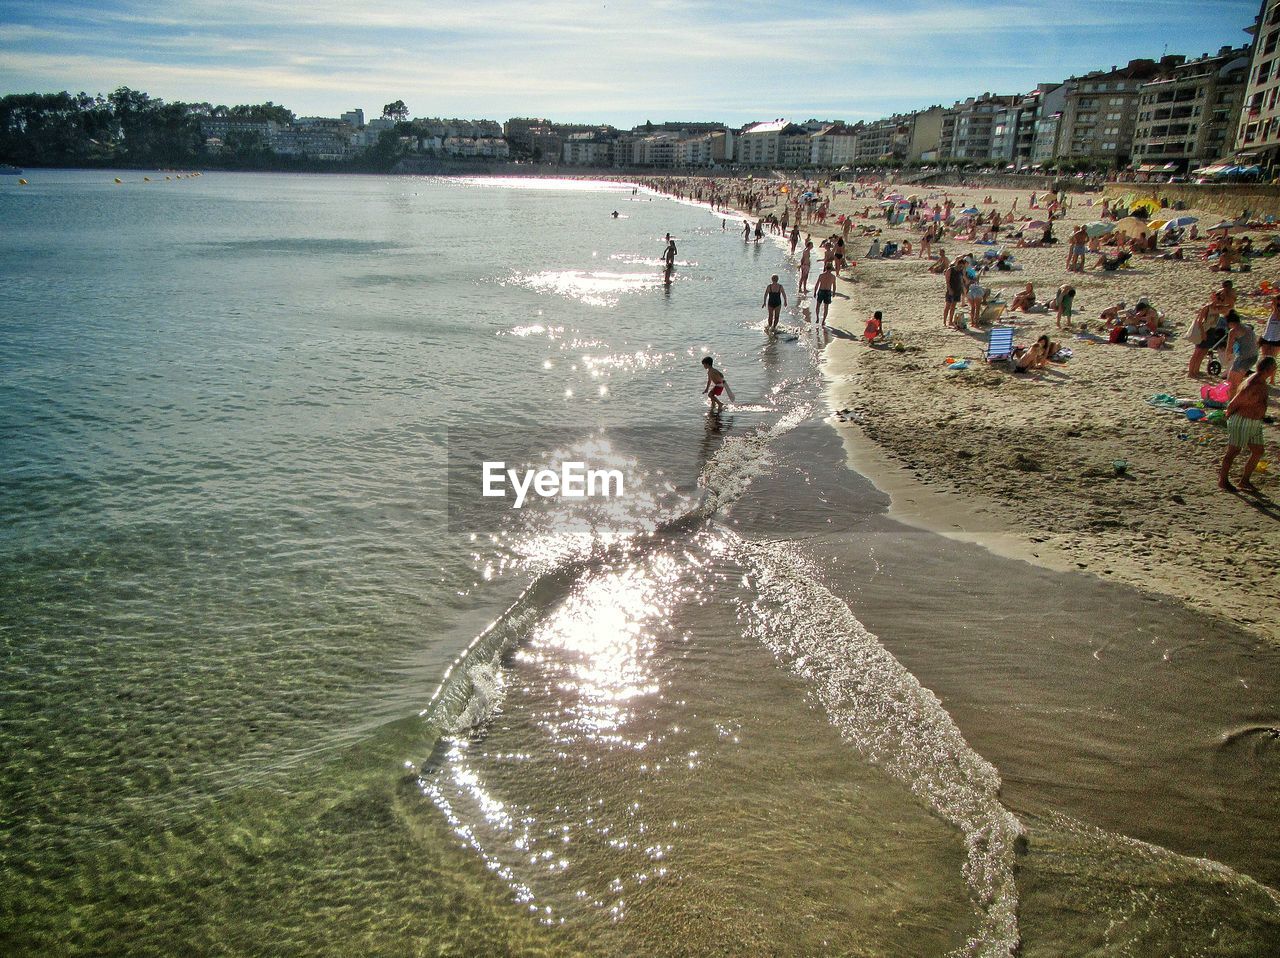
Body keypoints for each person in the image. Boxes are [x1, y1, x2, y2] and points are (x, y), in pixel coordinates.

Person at [1218, 357, 1274, 492]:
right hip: (1243, 420)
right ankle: (1223, 480)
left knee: (1258, 451)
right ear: (1269, 370)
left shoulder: (1260, 381)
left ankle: (1245, 481)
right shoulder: (1253, 384)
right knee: (1233, 451)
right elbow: (1234, 403)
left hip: (1254, 422)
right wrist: (1228, 415)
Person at [1223, 311, 1260, 395]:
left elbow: (1229, 349)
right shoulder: (1248, 327)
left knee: (1231, 383)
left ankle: (1232, 401)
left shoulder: (1233, 331)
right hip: (1253, 356)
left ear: (1230, 323)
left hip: (1243, 358)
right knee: (1238, 382)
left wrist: (1227, 359)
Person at [1260, 294, 1280, 384]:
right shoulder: (1274, 308)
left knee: (1272, 359)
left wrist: (1275, 306)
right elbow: (1264, 305)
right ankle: (1263, 377)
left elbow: (1277, 316)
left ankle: (1272, 380)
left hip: (1277, 338)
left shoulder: (1277, 310)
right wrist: (1272, 302)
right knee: (1264, 357)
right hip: (1267, 335)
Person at [943, 259, 965, 328]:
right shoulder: (950, 270)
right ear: (958, 264)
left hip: (957, 290)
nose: (961, 268)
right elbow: (947, 281)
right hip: (951, 290)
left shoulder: (961, 271)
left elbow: (961, 281)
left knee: (953, 307)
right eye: (960, 266)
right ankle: (944, 321)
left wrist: (962, 290)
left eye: (962, 266)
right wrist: (949, 289)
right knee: (947, 306)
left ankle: (950, 321)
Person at [813, 263, 836, 327]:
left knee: (818, 306)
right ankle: (823, 321)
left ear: (825, 268)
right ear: (831, 269)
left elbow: (817, 284)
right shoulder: (833, 277)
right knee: (826, 308)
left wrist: (815, 292)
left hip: (821, 291)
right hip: (828, 292)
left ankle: (817, 317)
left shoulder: (821, 275)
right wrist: (834, 292)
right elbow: (834, 286)